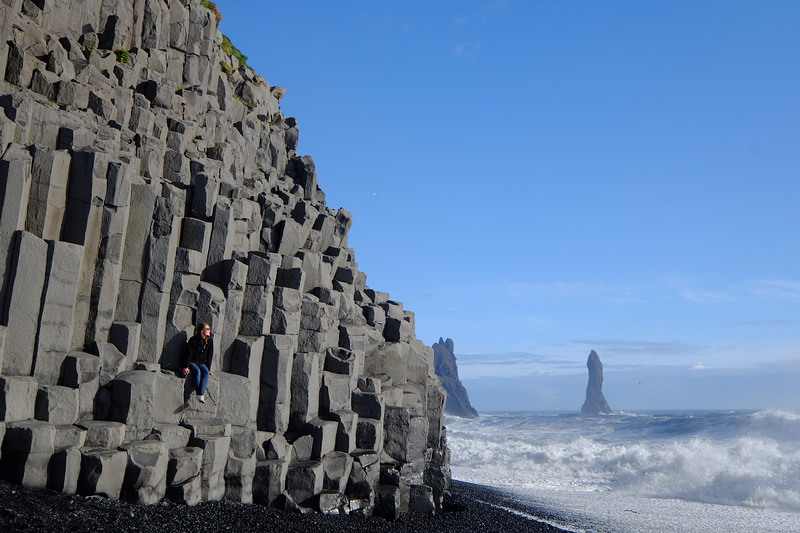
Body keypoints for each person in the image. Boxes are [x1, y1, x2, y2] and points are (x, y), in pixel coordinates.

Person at [183, 322, 214, 403]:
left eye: (209, 329)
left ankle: (200, 394)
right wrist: (186, 366)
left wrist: (208, 368)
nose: (209, 331)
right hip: (192, 361)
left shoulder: (209, 341)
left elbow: (209, 356)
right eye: (207, 329)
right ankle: (200, 394)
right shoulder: (193, 340)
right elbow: (188, 354)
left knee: (206, 372)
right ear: (201, 330)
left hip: (201, 362)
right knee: (197, 371)